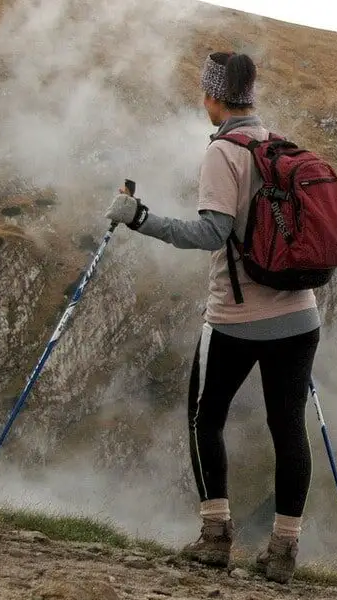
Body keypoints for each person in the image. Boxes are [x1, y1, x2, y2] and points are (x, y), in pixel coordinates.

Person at [105, 51, 319, 584]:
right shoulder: (275, 148)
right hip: (300, 316)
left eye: (205, 92)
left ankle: (215, 536)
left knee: (206, 416)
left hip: (236, 317)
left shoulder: (224, 153)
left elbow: (210, 234)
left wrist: (141, 219)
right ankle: (283, 552)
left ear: (214, 96)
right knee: (288, 427)